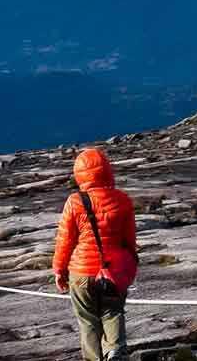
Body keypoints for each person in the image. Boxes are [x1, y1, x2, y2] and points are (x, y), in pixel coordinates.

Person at [52, 147, 137, 361]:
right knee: (113, 312)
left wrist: (59, 271)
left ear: (79, 174)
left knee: (88, 321)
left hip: (80, 273)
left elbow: (65, 240)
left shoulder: (74, 202)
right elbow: (129, 241)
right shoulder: (123, 200)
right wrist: (130, 266)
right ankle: (115, 350)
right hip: (113, 271)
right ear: (107, 170)